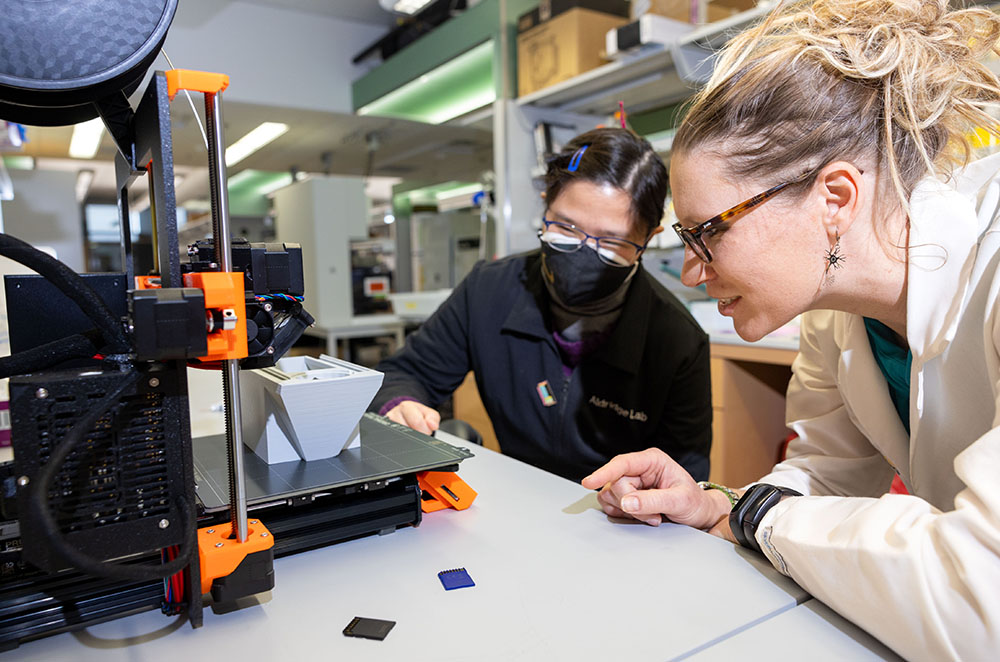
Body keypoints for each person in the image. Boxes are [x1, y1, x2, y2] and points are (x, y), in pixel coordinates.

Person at [582, 0, 1000, 658]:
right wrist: (717, 504)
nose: (690, 272)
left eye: (707, 233)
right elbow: (827, 477)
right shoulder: (834, 314)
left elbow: (983, 594)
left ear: (834, 199)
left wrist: (757, 517)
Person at [370, 128, 712, 483]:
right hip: (515, 500)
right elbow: (404, 374)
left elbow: (686, 475)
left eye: (612, 241)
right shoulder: (490, 290)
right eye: (566, 227)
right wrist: (401, 405)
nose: (583, 251)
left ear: (648, 239)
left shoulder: (676, 340)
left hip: (619, 520)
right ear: (546, 204)